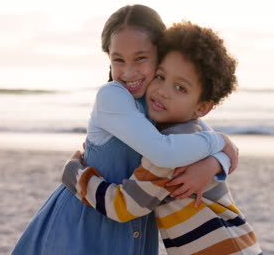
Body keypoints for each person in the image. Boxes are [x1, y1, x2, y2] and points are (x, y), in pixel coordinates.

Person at [13, 5, 238, 255]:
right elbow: (166, 151)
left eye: (141, 58)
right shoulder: (113, 96)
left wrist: (215, 162)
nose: (129, 72)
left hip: (134, 222)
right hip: (87, 220)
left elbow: (198, 137)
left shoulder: (159, 101)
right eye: (118, 60)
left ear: (159, 55)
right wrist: (219, 142)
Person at [62, 22, 263, 255]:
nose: (163, 91)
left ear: (203, 107)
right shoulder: (194, 132)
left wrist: (76, 174)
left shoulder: (170, 149)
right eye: (160, 76)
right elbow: (221, 145)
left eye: (180, 87)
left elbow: (123, 207)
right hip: (239, 243)